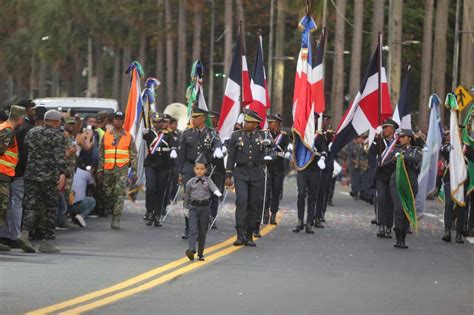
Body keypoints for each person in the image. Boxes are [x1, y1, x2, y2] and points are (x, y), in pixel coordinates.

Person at [17, 110, 67, 253]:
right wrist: (63, 173)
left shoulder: (32, 132)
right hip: (49, 177)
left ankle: (25, 233)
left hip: (31, 174)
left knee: (31, 205)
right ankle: (47, 241)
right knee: (50, 208)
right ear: (57, 122)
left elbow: (26, 147)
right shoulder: (57, 136)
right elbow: (59, 157)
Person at [225, 110, 273, 246]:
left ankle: (250, 234)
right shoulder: (236, 136)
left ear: (255, 124)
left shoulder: (263, 135)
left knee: (254, 204)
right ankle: (240, 235)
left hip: (257, 173)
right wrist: (228, 174)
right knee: (242, 201)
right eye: (245, 121)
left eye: (248, 122)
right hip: (241, 172)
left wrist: (270, 153)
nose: (245, 124)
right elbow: (231, 156)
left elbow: (273, 149)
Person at [177, 107, 223, 239]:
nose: (193, 120)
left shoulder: (212, 133)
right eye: (192, 117)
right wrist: (180, 173)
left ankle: (200, 227)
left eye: (195, 118)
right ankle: (188, 228)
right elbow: (182, 155)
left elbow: (217, 142)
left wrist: (218, 149)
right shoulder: (187, 134)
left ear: (202, 119)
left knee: (203, 199)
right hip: (189, 168)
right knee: (188, 198)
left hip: (204, 170)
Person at [0, 100, 33, 249]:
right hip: (2, 174)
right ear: (20, 118)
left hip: (5, 174)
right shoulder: (7, 130)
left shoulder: (5, 128)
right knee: (2, 207)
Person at [97, 111, 137, 229]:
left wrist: (134, 171)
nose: (118, 121)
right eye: (116, 119)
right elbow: (101, 153)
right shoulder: (106, 135)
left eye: (120, 119)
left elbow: (133, 155)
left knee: (119, 193)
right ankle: (110, 207)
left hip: (121, 169)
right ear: (112, 121)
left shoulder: (128, 136)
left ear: (123, 121)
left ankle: (116, 218)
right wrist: (100, 169)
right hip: (108, 168)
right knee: (107, 193)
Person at [384, 129, 422, 248]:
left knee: (407, 210)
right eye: (400, 137)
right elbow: (384, 163)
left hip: (410, 183)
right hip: (397, 182)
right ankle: (398, 237)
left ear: (410, 138)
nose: (400, 139)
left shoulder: (416, 150)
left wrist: (403, 156)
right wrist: (393, 160)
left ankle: (403, 238)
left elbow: (416, 160)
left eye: (403, 136)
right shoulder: (396, 149)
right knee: (399, 209)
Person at [293, 113, 327, 233]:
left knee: (312, 196)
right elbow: (295, 145)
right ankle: (299, 221)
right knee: (301, 194)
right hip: (302, 168)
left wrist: (322, 157)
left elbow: (324, 148)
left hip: (315, 170)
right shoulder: (301, 133)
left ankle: (309, 223)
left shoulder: (320, 136)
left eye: (315, 120)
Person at [184, 154, 222, 261]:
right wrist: (185, 208)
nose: (199, 171)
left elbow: (213, 187)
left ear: (205, 170)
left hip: (204, 208)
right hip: (193, 208)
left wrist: (216, 191)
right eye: (197, 169)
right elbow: (186, 196)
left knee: (202, 231)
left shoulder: (208, 181)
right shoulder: (190, 182)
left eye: (202, 169)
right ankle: (191, 250)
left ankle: (200, 253)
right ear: (194, 169)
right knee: (192, 230)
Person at [143, 112, 177, 226]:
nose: (157, 124)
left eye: (160, 122)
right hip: (151, 164)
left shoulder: (168, 134)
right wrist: (143, 132)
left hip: (164, 165)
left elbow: (173, 143)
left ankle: (157, 214)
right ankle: (149, 211)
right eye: (155, 122)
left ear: (163, 123)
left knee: (161, 190)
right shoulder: (149, 133)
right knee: (151, 187)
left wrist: (173, 150)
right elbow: (144, 138)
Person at [369, 118, 399, 238]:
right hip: (381, 174)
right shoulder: (379, 140)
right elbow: (371, 153)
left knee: (390, 201)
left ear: (392, 129)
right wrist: (373, 166)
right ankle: (381, 225)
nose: (384, 130)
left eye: (386, 128)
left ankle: (388, 226)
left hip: (392, 174)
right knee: (381, 199)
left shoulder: (398, 141)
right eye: (384, 128)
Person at [263, 113, 291, 226]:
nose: (269, 124)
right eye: (269, 122)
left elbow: (288, 144)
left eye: (272, 123)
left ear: (278, 124)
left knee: (276, 191)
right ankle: (265, 213)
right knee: (266, 190)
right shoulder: (265, 134)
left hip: (279, 167)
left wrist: (289, 150)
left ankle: (273, 213)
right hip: (267, 166)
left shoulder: (283, 135)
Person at [440, 130, 466, 244]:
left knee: (461, 206)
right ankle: (447, 231)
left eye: (459, 132)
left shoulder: (466, 147)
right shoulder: (447, 147)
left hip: (462, 180)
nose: (456, 134)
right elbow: (444, 151)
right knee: (449, 204)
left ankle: (459, 233)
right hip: (449, 178)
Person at [315, 114, 334, 224]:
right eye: (324, 120)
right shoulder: (317, 133)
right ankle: (315, 213)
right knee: (315, 190)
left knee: (324, 190)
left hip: (327, 165)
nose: (325, 122)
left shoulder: (331, 134)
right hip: (317, 164)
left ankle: (321, 213)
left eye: (327, 120)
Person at [208, 110, 226, 229]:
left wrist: (225, 149)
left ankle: (213, 216)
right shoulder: (206, 132)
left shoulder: (223, 132)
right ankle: (205, 215)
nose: (210, 120)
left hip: (218, 167)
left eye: (212, 118)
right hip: (206, 166)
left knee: (215, 193)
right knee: (204, 192)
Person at [68, 158, 96, 227]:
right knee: (92, 201)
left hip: (67, 206)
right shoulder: (86, 174)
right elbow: (93, 189)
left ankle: (68, 217)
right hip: (79, 205)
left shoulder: (66, 173)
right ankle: (81, 216)